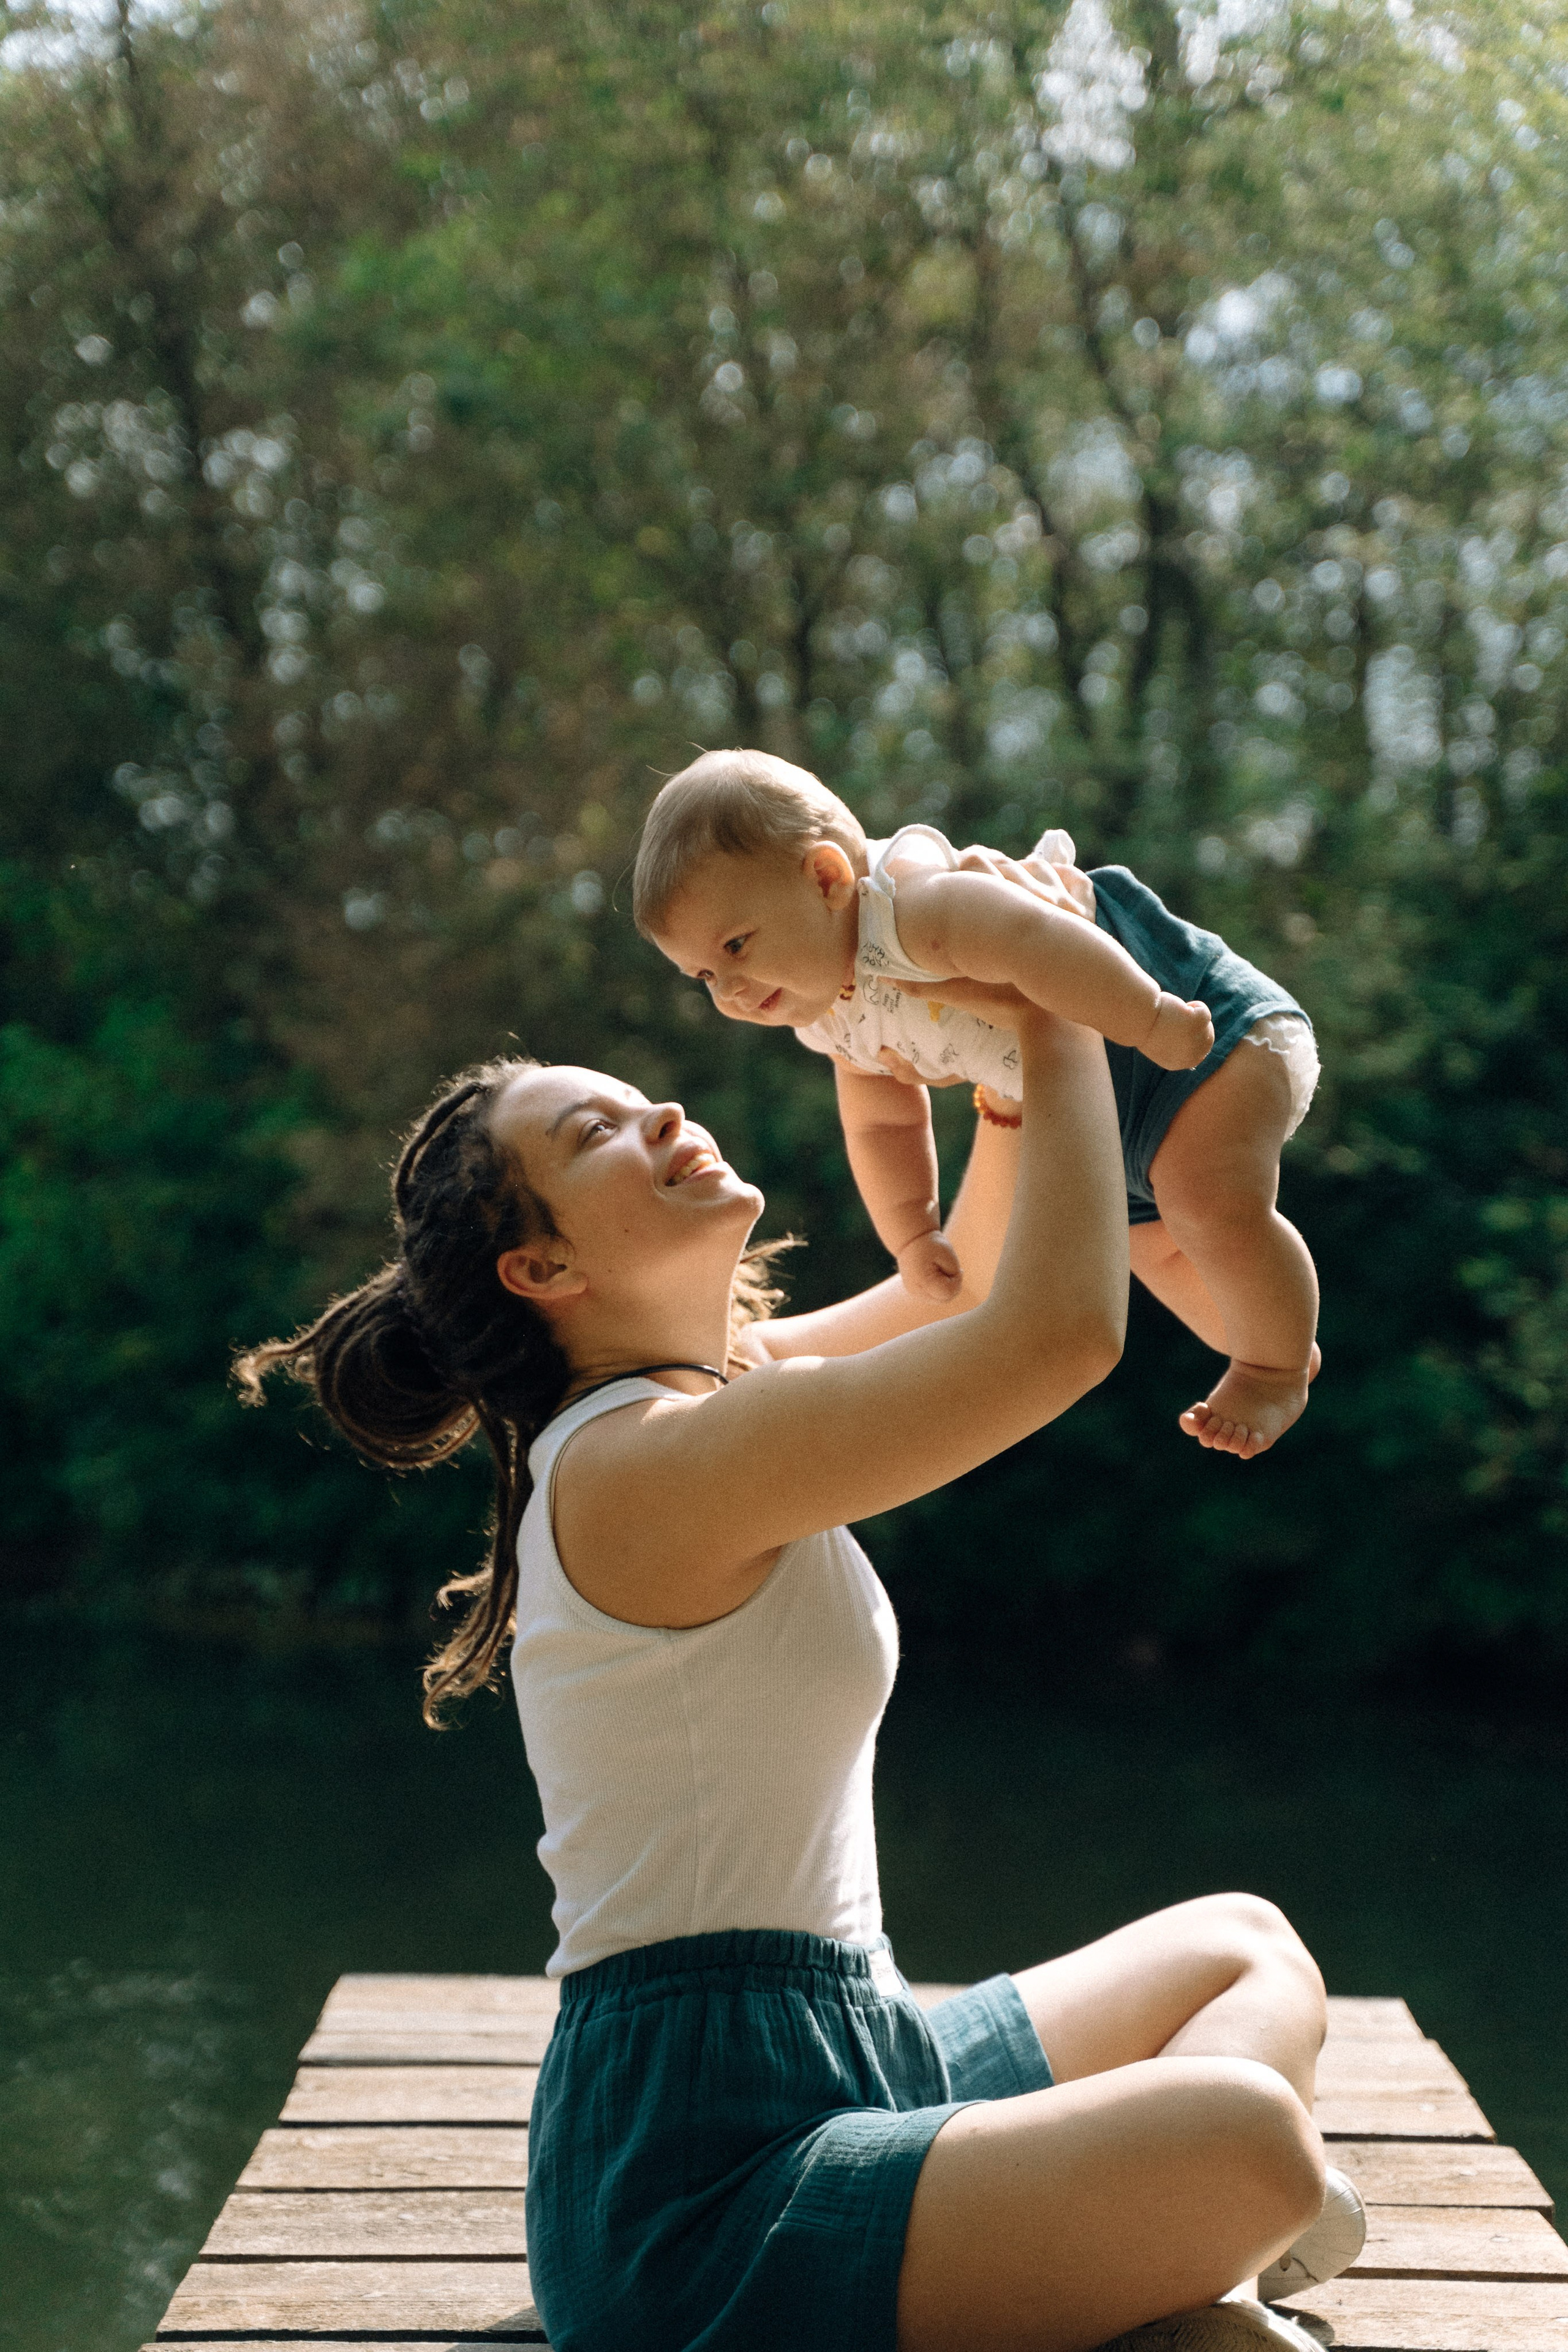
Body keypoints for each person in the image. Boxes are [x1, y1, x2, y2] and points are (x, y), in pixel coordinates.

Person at [235, 1009, 1360, 2352]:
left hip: (858, 2050)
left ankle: (1176, 2284)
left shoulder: (716, 1396)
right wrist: (1065, 1011)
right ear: (541, 1265)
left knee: (1240, 1944)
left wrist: (998, 1077)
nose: (659, 1115)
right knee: (1245, 2141)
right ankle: (1178, 2271)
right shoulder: (641, 1469)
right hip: (702, 2186)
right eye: (596, 1131)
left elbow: (952, 1292)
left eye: (639, 1096)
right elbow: (1055, 1334)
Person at [633, 748, 1322, 1460]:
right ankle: (1272, 1336)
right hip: (1109, 1114)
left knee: (1204, 1204)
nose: (730, 992)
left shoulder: (914, 907)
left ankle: (1270, 1365)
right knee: (1163, 1255)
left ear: (827, 877)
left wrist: (1151, 1019)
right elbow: (880, 1121)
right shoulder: (826, 1015)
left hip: (1193, 1025)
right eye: (706, 975)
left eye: (737, 946)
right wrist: (912, 1234)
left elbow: (1039, 938)